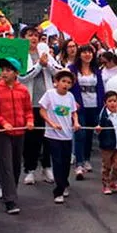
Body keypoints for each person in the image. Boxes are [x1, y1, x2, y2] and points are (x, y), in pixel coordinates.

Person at [19, 26, 61, 185]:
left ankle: (46, 166)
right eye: (30, 35)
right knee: (31, 138)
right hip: (30, 102)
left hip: (48, 102)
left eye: (36, 36)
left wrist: (47, 64)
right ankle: (29, 169)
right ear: (24, 38)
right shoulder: (21, 55)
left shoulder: (45, 52)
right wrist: (39, 66)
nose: (34, 38)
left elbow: (58, 72)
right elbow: (22, 78)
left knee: (48, 137)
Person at [0, 57, 34, 214]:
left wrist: (29, 121)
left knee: (16, 164)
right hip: (4, 133)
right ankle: (10, 200)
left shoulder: (23, 90)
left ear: (16, 73)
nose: (4, 73)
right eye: (2, 70)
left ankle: (10, 190)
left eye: (8, 70)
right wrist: (3, 123)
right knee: (6, 164)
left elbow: (28, 110)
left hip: (20, 131)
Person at [39, 69, 80, 204]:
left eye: (69, 82)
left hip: (67, 135)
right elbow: (42, 110)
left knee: (66, 162)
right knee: (57, 162)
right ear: (56, 82)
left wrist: (76, 122)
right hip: (52, 135)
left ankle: (64, 183)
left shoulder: (70, 97)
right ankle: (58, 191)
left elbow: (74, 112)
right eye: (63, 81)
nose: (66, 84)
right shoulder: (50, 94)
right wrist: (51, 123)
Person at [68, 44, 104, 177]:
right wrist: (73, 102)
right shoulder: (72, 69)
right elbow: (69, 87)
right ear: (80, 54)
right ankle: (79, 163)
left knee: (89, 134)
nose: (87, 54)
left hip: (94, 106)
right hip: (79, 106)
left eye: (90, 52)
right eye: (84, 52)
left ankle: (87, 159)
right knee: (80, 134)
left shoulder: (97, 70)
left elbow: (100, 88)